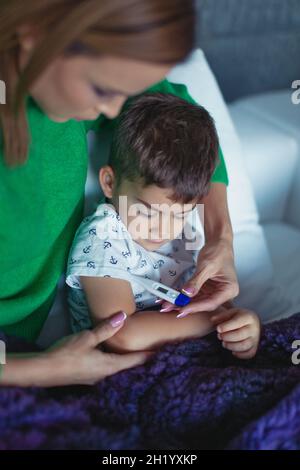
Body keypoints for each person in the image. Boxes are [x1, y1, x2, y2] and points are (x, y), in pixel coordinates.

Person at [0, 0, 237, 387]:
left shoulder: (59, 89)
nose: (113, 112)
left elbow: (181, 119)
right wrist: (41, 370)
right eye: (103, 89)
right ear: (35, 37)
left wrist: (221, 236)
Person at [66, 93, 260, 358]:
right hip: (120, 374)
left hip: (191, 356)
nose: (164, 230)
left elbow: (217, 302)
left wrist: (241, 329)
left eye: (180, 215)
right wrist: (215, 322)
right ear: (110, 182)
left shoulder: (185, 232)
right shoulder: (102, 239)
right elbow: (121, 336)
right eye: (147, 212)